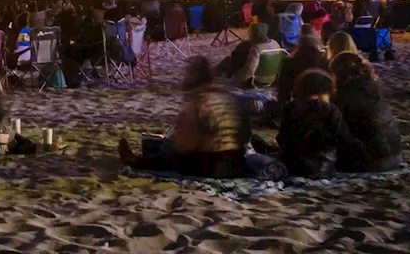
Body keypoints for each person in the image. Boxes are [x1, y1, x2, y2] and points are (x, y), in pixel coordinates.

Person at [117, 56, 250, 179]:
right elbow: (245, 134)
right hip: (238, 163)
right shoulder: (229, 97)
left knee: (171, 157)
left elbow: (185, 146)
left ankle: (135, 161)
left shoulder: (198, 104)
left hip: (213, 167)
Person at [276, 70, 362, 178]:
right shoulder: (330, 110)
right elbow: (343, 138)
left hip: (291, 167)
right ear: (325, 90)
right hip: (323, 168)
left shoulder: (290, 107)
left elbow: (281, 139)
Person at [330, 54, 403, 172]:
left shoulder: (345, 96)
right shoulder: (372, 88)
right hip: (395, 155)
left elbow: (339, 131)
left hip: (373, 161)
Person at [216, 23, 280, 87]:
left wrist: (237, 80)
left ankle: (213, 76)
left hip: (257, 81)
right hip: (272, 79)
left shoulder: (256, 48)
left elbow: (250, 70)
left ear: (255, 34)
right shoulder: (275, 43)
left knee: (228, 60)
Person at [275, 36, 329, 104]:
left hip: (296, 103)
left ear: (298, 47)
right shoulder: (324, 62)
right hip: (321, 103)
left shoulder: (289, 63)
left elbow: (282, 90)